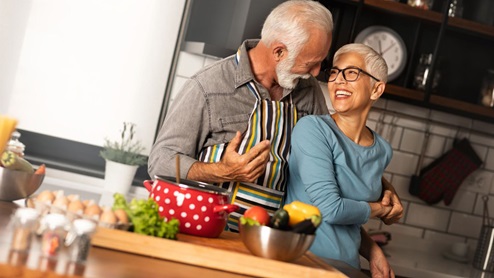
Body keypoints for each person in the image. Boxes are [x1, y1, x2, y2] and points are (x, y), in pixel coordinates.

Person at [148, 0, 402, 231]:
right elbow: (160, 161)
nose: (316, 74)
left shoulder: (307, 91)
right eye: (310, 63)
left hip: (272, 240)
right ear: (279, 51)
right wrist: (221, 171)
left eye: (320, 63)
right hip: (208, 232)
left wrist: (383, 189)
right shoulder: (207, 86)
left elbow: (332, 158)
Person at [285, 43, 395, 277]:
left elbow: (351, 220)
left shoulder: (382, 150)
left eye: (352, 73)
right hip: (301, 263)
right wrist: (381, 210)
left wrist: (373, 250)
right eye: (335, 72)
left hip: (347, 267)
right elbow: (331, 209)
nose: (338, 81)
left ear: (377, 90)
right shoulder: (313, 130)